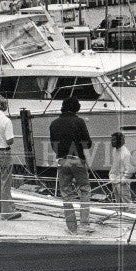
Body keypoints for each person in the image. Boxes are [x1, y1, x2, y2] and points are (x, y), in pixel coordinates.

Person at [49, 97, 93, 234]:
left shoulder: (54, 123)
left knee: (66, 194)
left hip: (62, 161)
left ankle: (71, 228)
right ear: (76, 108)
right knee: (84, 189)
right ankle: (85, 224)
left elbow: (53, 146)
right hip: (77, 159)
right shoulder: (79, 121)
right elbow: (88, 143)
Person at [109, 131, 135, 205]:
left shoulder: (125, 153)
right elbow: (114, 165)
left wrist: (123, 179)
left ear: (119, 141)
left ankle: (130, 215)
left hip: (122, 182)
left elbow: (130, 169)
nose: (111, 142)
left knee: (126, 202)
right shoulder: (115, 151)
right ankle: (121, 216)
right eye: (111, 140)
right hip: (114, 180)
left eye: (113, 140)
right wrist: (111, 175)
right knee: (118, 202)